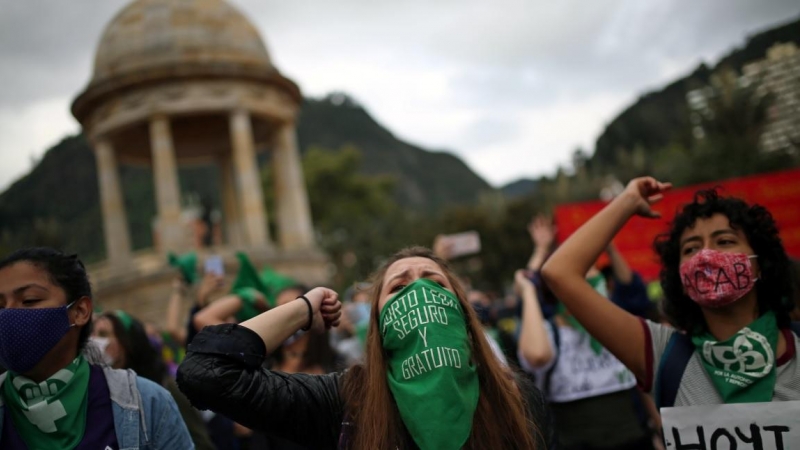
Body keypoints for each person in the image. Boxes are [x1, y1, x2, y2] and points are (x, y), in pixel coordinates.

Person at [178, 246, 555, 449]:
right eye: (398, 287)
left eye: (435, 283)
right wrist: (304, 308)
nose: (419, 292)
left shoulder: (518, 400)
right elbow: (206, 373)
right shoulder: (345, 401)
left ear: (463, 313)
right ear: (377, 323)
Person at [541, 177, 799, 408]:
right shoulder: (662, 354)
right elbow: (559, 271)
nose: (706, 255)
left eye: (725, 241)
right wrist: (628, 201)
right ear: (681, 278)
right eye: (690, 249)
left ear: (760, 263)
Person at [0, 247, 193, 449]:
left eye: (29, 300)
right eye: (0, 305)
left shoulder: (149, 404)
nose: (8, 315)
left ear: (80, 311)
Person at [517, 218, 654, 449]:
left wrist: (608, 245)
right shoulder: (548, 333)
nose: (586, 280)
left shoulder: (615, 322)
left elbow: (634, 296)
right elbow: (528, 292)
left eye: (590, 268)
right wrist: (540, 251)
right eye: (575, 273)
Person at [93, 310, 215, 450]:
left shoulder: (164, 390)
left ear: (126, 342)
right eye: (93, 334)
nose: (94, 341)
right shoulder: (102, 392)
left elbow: (200, 443)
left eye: (103, 334)